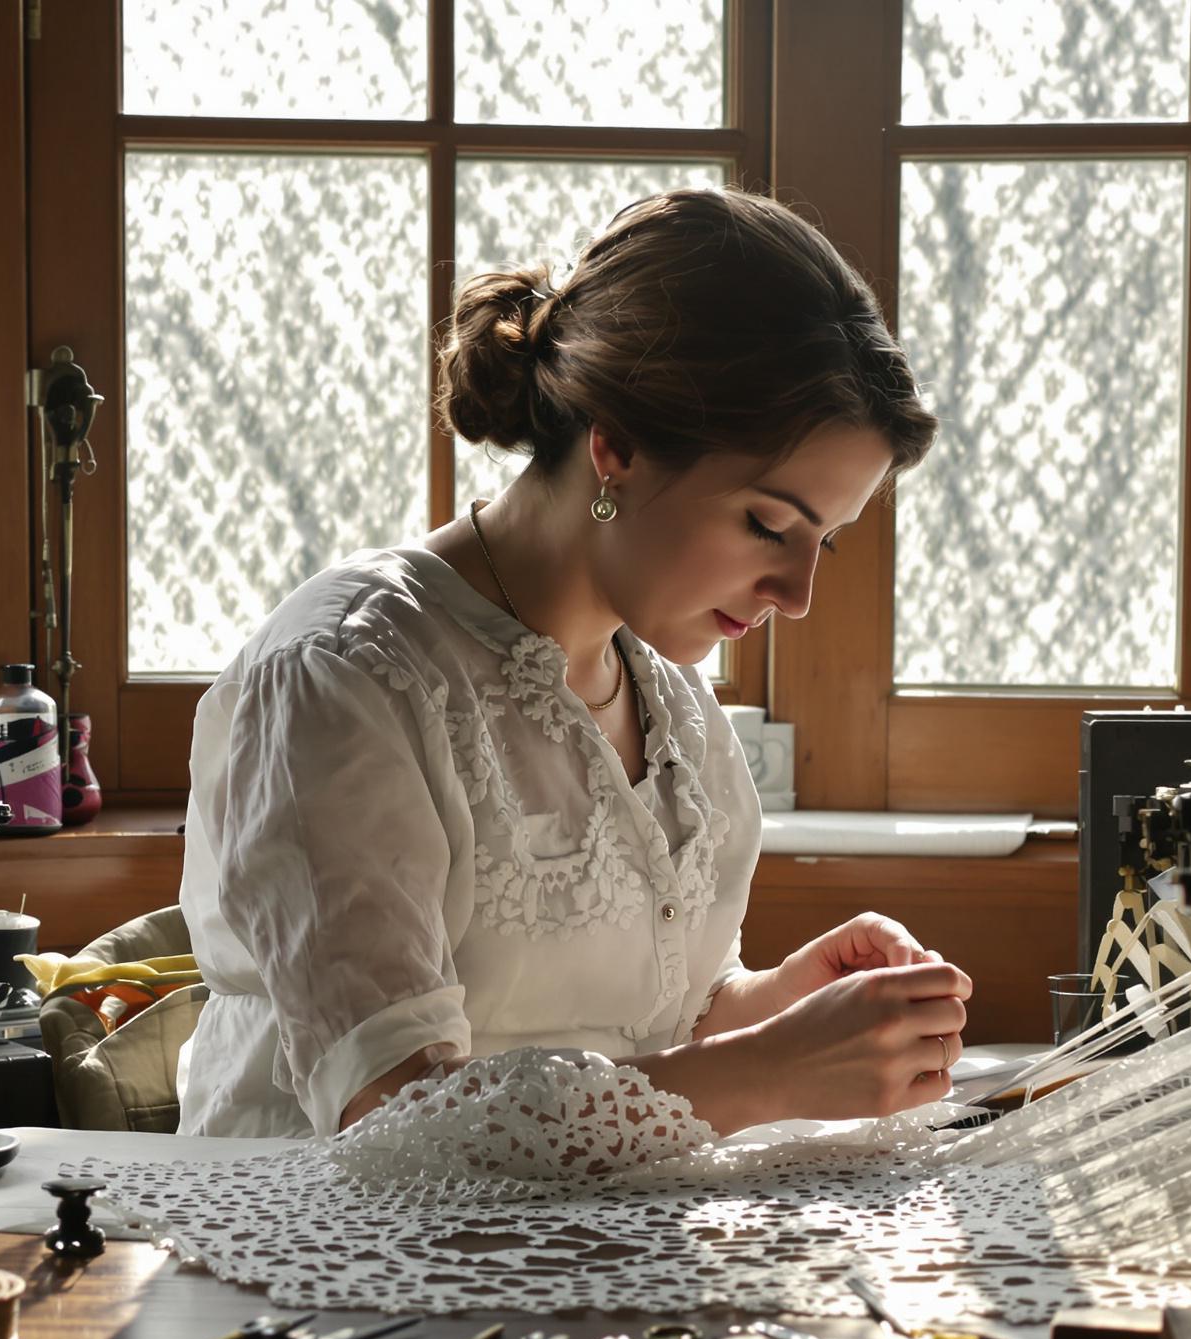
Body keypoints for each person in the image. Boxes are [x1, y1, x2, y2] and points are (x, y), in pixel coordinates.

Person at [177, 185, 969, 1171]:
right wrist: (774, 1069)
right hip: (333, 1302)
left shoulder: (675, 703)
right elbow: (395, 1124)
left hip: (590, 1289)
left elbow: (650, 1035)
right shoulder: (343, 676)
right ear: (618, 449)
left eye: (827, 541)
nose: (799, 592)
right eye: (769, 523)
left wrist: (786, 1004)